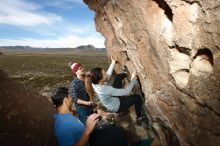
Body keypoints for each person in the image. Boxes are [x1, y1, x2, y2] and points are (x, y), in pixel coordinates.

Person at [51, 87, 128, 146]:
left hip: (88, 136)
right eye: (70, 96)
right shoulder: (62, 127)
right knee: (119, 133)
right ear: (66, 100)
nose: (72, 99)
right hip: (88, 141)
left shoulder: (67, 113)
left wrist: (91, 120)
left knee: (117, 130)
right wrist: (87, 131)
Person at [85, 56, 144, 124]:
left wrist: (113, 63)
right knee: (137, 98)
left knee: (119, 76)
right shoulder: (104, 89)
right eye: (104, 74)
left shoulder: (94, 82)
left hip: (112, 98)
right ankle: (139, 117)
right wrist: (133, 80)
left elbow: (107, 75)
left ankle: (126, 75)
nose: (106, 74)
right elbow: (126, 91)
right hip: (116, 106)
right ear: (100, 79)